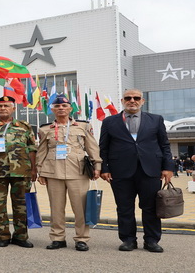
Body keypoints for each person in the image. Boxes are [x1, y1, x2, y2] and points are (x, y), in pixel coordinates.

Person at [99, 89, 174, 253]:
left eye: (136, 98)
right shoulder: (110, 122)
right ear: (122, 100)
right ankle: (128, 240)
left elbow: (165, 145)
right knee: (124, 208)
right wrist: (104, 168)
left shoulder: (156, 120)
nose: (132, 100)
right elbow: (103, 148)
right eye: (128, 98)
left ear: (142, 101)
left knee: (151, 208)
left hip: (150, 170)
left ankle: (152, 240)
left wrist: (168, 167)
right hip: (120, 171)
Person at [36, 94, 102, 251]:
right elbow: (41, 151)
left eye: (64, 106)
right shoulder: (45, 129)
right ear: (52, 109)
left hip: (78, 171)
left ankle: (81, 239)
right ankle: (58, 238)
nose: (61, 108)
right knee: (56, 208)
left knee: (80, 208)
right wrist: (40, 171)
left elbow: (92, 147)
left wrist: (97, 166)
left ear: (70, 108)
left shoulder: (83, 126)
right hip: (53, 172)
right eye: (57, 106)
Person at [0, 96, 37, 248]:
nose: (3, 108)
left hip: (22, 171)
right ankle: (2, 236)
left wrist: (34, 168)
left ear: (13, 109)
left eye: (6, 105)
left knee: (21, 205)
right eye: (0, 106)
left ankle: (21, 236)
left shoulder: (24, 126)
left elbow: (32, 148)